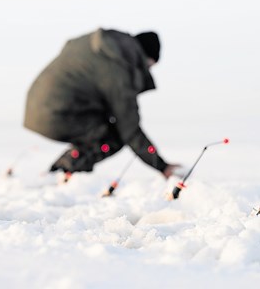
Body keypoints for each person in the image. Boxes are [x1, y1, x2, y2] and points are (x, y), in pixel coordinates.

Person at [23, 28, 180, 179]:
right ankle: (63, 172)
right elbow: (129, 128)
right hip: (57, 114)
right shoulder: (119, 67)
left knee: (97, 133)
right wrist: (162, 166)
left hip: (38, 107)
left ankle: (60, 172)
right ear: (145, 58)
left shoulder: (102, 48)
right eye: (150, 66)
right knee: (114, 137)